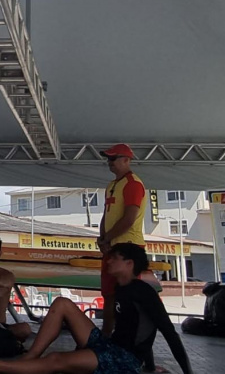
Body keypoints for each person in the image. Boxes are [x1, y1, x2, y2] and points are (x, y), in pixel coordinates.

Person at [0, 243, 191, 374]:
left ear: (129, 264)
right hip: (110, 346)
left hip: (124, 361)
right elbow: (137, 330)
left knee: (57, 360)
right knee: (62, 304)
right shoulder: (120, 289)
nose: (108, 262)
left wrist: (181, 371)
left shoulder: (144, 292)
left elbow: (166, 332)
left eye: (114, 259)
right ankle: (30, 358)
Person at [97, 144, 148, 337]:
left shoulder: (133, 184)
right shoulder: (112, 185)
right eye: (108, 159)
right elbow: (106, 214)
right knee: (109, 294)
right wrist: (103, 239)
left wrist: (107, 239)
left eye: (113, 158)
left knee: (127, 297)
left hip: (128, 248)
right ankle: (107, 337)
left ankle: (130, 338)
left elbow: (129, 218)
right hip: (112, 247)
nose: (109, 163)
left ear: (127, 160)